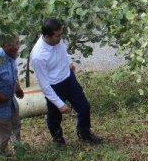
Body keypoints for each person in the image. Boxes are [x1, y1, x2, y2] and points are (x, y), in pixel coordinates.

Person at [30, 17, 103, 146]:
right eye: (57, 36)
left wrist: (69, 62)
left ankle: (84, 133)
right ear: (47, 36)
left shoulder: (57, 40)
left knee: (84, 107)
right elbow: (44, 85)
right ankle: (58, 139)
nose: (60, 38)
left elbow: (63, 51)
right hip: (54, 86)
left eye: (61, 34)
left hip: (69, 79)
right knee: (54, 116)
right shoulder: (38, 56)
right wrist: (59, 103)